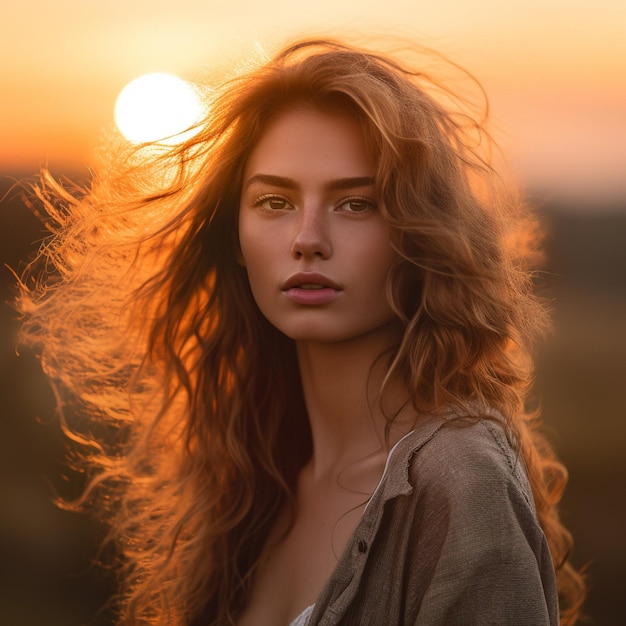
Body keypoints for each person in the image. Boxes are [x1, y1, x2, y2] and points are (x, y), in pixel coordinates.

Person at [17, 38, 586, 625]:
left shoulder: (460, 483)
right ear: (233, 239)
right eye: (274, 201)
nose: (307, 238)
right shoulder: (253, 474)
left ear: (417, 237)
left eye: (356, 204)